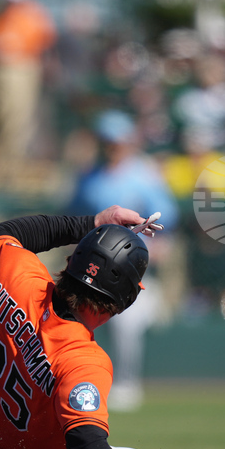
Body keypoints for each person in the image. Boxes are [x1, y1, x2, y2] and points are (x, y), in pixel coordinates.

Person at [0, 205, 197, 449]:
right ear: (123, 302)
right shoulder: (85, 360)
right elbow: (84, 442)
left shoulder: (20, 277)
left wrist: (91, 222)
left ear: (70, 261)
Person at [68, 110, 178, 411]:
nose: (112, 146)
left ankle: (127, 384)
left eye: (117, 141)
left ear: (129, 141)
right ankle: (74, 381)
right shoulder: (88, 176)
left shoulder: (144, 175)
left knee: (126, 323)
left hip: (132, 268)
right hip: (92, 265)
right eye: (107, 140)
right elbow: (72, 218)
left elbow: (167, 218)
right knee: (75, 322)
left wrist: (157, 246)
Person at [0, 0, 56, 164]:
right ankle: (9, 160)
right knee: (9, 116)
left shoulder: (34, 14)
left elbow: (45, 42)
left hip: (24, 67)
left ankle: (14, 160)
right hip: (4, 69)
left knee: (21, 117)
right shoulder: (0, 16)